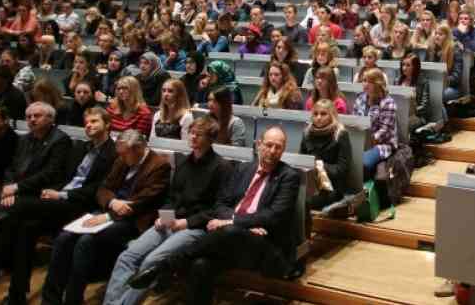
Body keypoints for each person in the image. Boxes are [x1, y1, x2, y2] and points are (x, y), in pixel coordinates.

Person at [125, 127, 302, 304]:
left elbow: (274, 216)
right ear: (259, 144)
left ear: (284, 149)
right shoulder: (243, 169)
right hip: (230, 243)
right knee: (200, 265)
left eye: (278, 147)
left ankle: (166, 265)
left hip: (264, 247)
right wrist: (240, 224)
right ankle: (169, 269)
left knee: (231, 231)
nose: (272, 151)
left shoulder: (289, 176)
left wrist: (235, 223)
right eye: (269, 145)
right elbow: (221, 203)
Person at [0, 107, 117, 305]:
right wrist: (52, 191)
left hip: (81, 205)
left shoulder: (113, 153)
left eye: (94, 122)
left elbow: (98, 189)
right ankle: (17, 295)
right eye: (86, 122)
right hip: (60, 201)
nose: (89, 125)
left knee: (15, 207)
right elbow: (65, 177)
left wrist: (61, 194)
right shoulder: (82, 148)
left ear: (108, 125)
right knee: (26, 228)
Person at [102, 117, 232, 305]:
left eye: (199, 134)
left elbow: (218, 209)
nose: (193, 137)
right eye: (192, 132)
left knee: (151, 262)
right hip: (170, 221)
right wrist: (164, 215)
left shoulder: (222, 167)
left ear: (210, 138)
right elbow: (171, 197)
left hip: (194, 228)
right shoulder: (185, 163)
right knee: (127, 257)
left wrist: (186, 222)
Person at [40, 130, 171, 305]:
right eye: (121, 154)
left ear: (139, 148)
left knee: (85, 241)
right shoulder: (122, 159)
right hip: (110, 211)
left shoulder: (159, 165)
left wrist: (109, 216)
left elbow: (143, 202)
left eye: (125, 154)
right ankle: (50, 299)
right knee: (64, 237)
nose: (122, 157)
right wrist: (111, 203)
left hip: (133, 220)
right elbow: (103, 188)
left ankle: (73, 299)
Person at [0, 102, 72, 292]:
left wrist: (17, 188)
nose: (31, 119)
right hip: (14, 189)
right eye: (28, 116)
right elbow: (11, 168)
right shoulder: (26, 139)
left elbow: (49, 174)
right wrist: (7, 187)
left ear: (51, 119)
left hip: (39, 194)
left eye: (37, 116)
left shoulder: (60, 140)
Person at [300, 99, 354, 212]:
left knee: (304, 201)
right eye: (315, 114)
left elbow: (342, 170)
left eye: (323, 114)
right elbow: (301, 163)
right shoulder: (307, 133)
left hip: (333, 187)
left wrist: (319, 166)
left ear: (332, 116)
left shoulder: (341, 134)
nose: (318, 117)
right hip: (311, 184)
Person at [353, 68, 398, 180]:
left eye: (369, 81)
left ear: (378, 84)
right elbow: (354, 121)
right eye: (364, 80)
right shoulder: (360, 98)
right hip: (360, 141)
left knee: (362, 163)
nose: (365, 84)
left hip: (382, 144)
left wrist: (366, 142)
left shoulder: (388, 103)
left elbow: (384, 132)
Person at [427, 23, 464, 104]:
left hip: (453, 87)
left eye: (440, 34)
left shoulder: (455, 50)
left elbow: (456, 77)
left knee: (435, 95)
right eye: (436, 33)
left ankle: (441, 117)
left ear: (447, 36)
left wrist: (442, 81)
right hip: (435, 85)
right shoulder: (433, 50)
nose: (437, 36)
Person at [396, 53, 431, 131]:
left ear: (415, 67)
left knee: (402, 124)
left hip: (417, 116)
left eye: (408, 65)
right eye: (403, 65)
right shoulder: (397, 80)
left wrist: (409, 111)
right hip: (399, 114)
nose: (404, 68)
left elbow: (424, 106)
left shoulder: (423, 82)